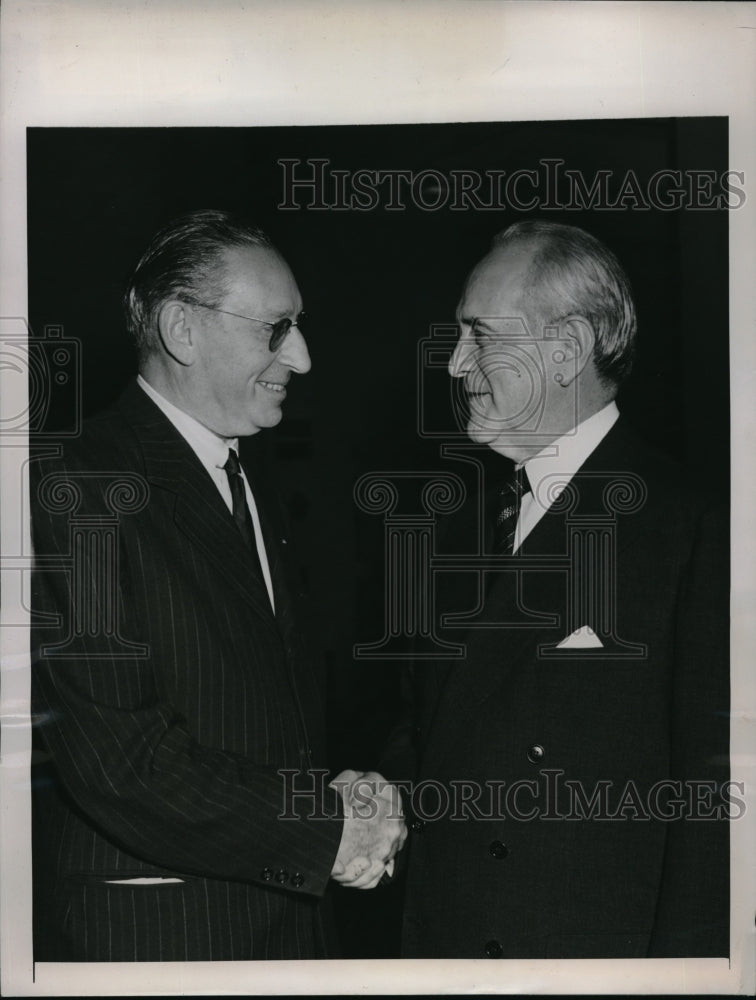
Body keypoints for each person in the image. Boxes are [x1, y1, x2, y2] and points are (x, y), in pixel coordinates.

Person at [30, 209, 405, 962]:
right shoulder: (81, 483)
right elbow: (119, 760)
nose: (300, 356)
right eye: (276, 327)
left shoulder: (239, 476)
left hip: (280, 923)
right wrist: (325, 826)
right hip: (165, 940)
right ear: (182, 329)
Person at [385, 220, 729, 959]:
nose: (454, 365)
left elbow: (716, 819)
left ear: (567, 349)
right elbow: (431, 738)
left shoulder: (697, 527)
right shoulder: (453, 531)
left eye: (479, 334)